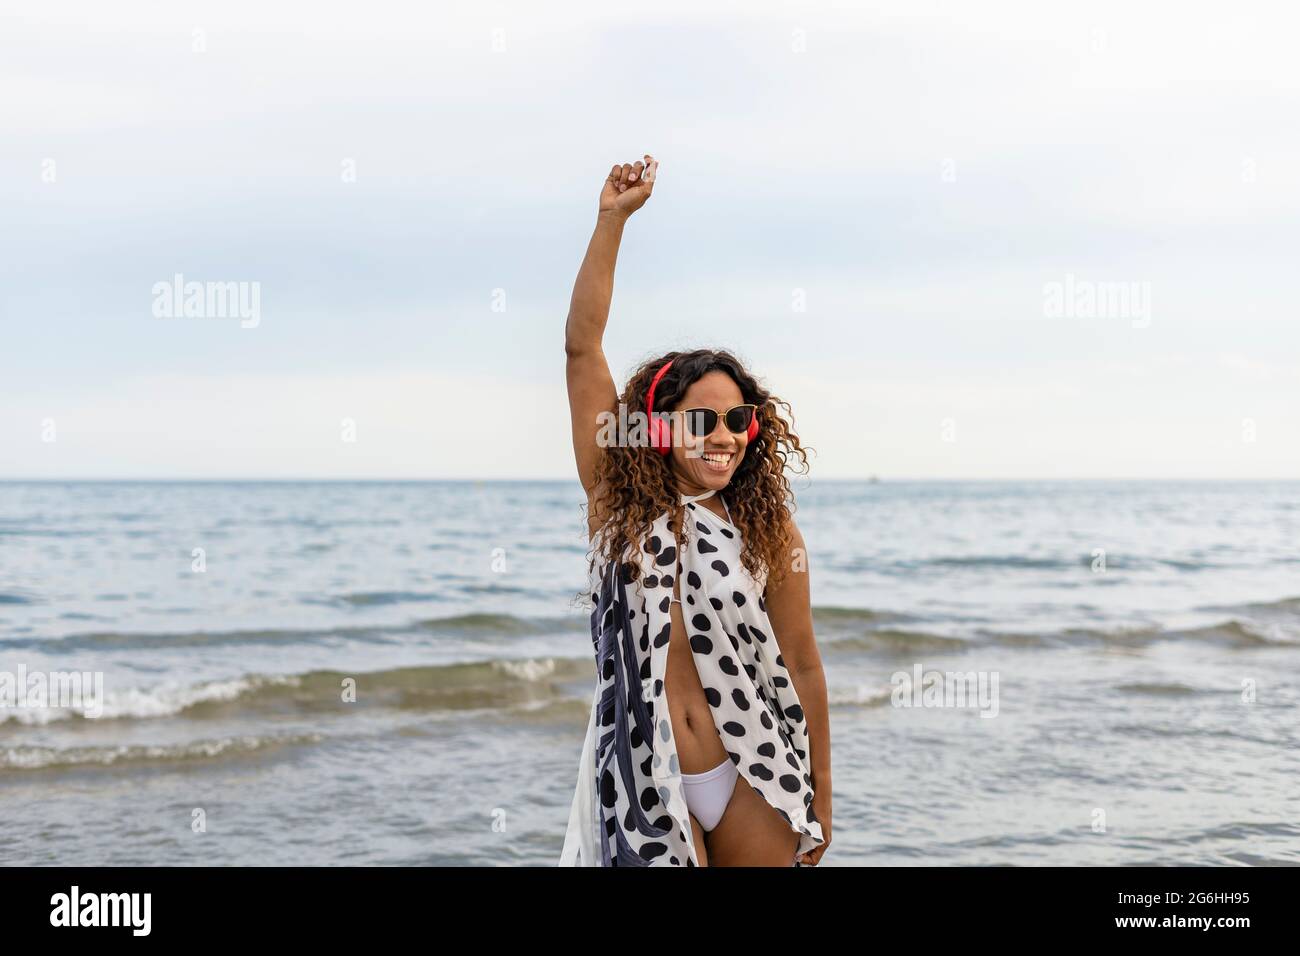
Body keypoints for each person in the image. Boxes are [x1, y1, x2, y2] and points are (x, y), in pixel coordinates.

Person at [559, 154, 832, 866]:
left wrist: (820, 803)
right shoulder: (613, 507)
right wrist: (611, 222)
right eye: (701, 419)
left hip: (753, 774)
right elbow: (581, 347)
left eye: (738, 420)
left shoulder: (767, 533)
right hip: (646, 777)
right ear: (657, 425)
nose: (723, 436)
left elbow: (802, 666)